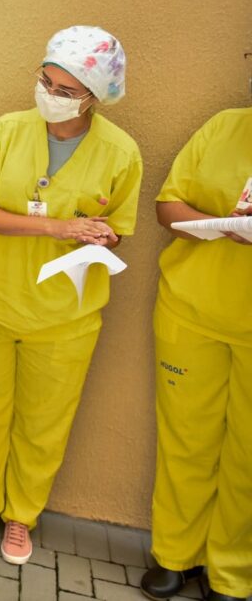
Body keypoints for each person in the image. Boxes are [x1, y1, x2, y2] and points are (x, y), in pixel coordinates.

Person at [0, 26, 142, 565]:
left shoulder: (121, 153)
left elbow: (120, 226)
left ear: (94, 97)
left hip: (65, 318)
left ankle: (20, 517)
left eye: (65, 90)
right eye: (46, 82)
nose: (50, 95)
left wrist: (102, 236)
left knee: (45, 425)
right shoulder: (6, 132)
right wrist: (58, 228)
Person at [139, 105, 251, 601]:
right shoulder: (225, 126)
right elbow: (169, 208)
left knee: (248, 455)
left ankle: (233, 573)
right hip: (191, 312)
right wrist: (223, 225)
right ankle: (175, 555)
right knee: (185, 442)